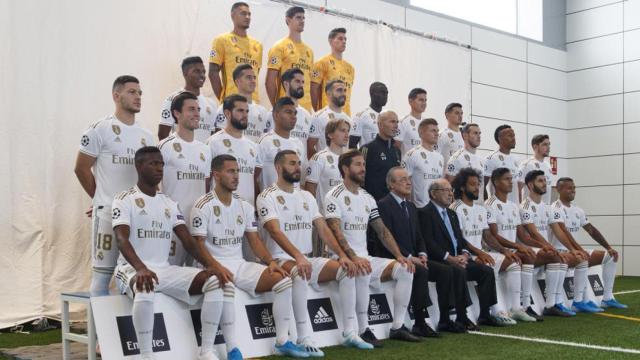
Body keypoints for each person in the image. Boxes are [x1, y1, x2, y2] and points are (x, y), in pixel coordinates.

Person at [111, 146, 229, 360]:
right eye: (153, 163)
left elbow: (189, 242)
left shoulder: (169, 203)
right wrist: (140, 268)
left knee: (213, 281)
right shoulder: (124, 199)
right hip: (130, 269)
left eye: (161, 164)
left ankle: (206, 351)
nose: (159, 168)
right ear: (139, 166)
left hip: (163, 270)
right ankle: (146, 356)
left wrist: (212, 264)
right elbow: (121, 239)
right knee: (144, 286)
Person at [190, 154, 293, 360]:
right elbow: (198, 246)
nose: (236, 176)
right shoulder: (202, 205)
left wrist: (271, 262)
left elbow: (254, 240)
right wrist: (215, 266)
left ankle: (282, 342)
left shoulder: (244, 205)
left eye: (237, 171)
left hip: (239, 264)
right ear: (216, 175)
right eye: (230, 171)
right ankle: (231, 349)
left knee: (283, 280)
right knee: (224, 283)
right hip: (212, 265)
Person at [257, 150, 359, 357]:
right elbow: (274, 231)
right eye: (292, 164)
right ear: (278, 168)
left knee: (346, 270)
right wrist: (298, 257)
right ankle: (303, 336)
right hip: (280, 258)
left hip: (306, 257)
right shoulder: (267, 196)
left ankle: (350, 332)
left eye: (299, 163)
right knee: (301, 271)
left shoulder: (306, 196)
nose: (298, 168)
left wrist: (342, 254)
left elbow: (323, 228)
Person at [325, 151, 420, 346]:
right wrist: (352, 257)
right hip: (340, 257)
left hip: (365, 256)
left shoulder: (367, 197)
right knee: (358, 268)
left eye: (364, 165)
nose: (363, 169)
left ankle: (397, 326)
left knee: (405, 268)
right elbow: (335, 231)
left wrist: (399, 255)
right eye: (358, 165)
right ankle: (361, 329)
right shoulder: (334, 195)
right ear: (345, 168)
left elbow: (382, 231)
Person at [75, 75, 155, 294]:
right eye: (132, 92)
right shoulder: (100, 129)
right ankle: (97, 330)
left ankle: (126, 326)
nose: (138, 97)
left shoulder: (146, 135)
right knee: (102, 277)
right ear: (116, 95)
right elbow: (81, 168)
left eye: (140, 93)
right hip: (109, 214)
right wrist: (99, 197)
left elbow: (151, 178)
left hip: (138, 215)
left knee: (134, 274)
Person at [378, 166, 456, 337]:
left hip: (415, 257)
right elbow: (388, 238)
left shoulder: (411, 206)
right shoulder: (383, 205)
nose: (408, 182)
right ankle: (419, 323)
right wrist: (410, 257)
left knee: (445, 270)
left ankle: (444, 319)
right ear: (391, 185)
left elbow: (419, 236)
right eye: (403, 179)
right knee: (419, 271)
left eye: (409, 179)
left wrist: (422, 254)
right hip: (394, 257)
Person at [450, 169, 535, 324]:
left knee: (514, 262)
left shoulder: (480, 209)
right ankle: (497, 311)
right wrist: (478, 253)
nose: (477, 188)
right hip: (466, 255)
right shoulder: (455, 208)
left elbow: (487, 236)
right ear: (462, 187)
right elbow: (459, 239)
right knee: (489, 264)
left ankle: (516, 308)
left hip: (480, 253)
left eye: (478, 184)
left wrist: (504, 250)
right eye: (473, 185)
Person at [418, 179, 499, 331]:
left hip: (458, 260)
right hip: (439, 261)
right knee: (457, 271)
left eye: (451, 190)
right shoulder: (424, 213)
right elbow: (428, 242)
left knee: (486, 271)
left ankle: (485, 314)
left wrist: (465, 255)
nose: (450, 194)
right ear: (433, 194)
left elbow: (460, 240)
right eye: (446, 190)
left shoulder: (452, 213)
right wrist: (449, 258)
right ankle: (459, 317)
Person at [486, 167, 560, 321]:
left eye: (511, 178)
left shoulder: (513, 206)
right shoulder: (489, 205)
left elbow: (523, 237)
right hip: (498, 251)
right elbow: (493, 236)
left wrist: (544, 246)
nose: (511, 182)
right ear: (495, 182)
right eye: (506, 179)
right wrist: (519, 247)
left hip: (513, 250)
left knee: (551, 255)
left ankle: (548, 304)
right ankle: (523, 306)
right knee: (527, 255)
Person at [553, 178, 627, 309]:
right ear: (559, 189)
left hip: (574, 250)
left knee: (611, 256)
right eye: (569, 188)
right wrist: (580, 249)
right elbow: (564, 232)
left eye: (574, 188)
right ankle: (578, 301)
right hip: (560, 250)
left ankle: (607, 298)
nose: (573, 190)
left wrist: (608, 247)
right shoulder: (555, 208)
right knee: (582, 258)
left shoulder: (577, 210)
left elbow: (591, 230)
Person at [158, 92, 212, 266]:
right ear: (177, 113)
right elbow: (151, 185)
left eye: (198, 109)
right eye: (191, 109)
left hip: (198, 226)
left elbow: (205, 186)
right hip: (173, 225)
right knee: (170, 273)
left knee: (198, 278)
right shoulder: (164, 146)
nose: (197, 113)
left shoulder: (205, 149)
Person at [519, 170, 575, 316]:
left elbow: (558, 231)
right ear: (530, 185)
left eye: (545, 181)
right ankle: (550, 305)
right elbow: (533, 233)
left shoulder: (546, 207)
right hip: (529, 252)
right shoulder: (524, 206)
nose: (545, 184)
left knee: (564, 257)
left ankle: (556, 302)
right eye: (540, 181)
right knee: (557, 256)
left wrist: (572, 249)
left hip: (543, 250)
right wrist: (549, 247)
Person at [208, 94, 261, 206]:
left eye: (247, 111)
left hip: (248, 211)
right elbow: (207, 179)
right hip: (221, 209)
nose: (245, 115)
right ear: (227, 113)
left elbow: (254, 180)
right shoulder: (213, 142)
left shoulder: (253, 146)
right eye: (240, 111)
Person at [209, 2, 262, 102]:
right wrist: (224, 99)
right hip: (232, 103)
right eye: (243, 13)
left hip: (254, 104)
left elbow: (255, 73)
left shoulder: (258, 45)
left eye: (249, 14)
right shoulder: (222, 40)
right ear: (232, 16)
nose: (247, 17)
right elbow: (212, 72)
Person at [266, 6, 314, 111]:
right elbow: (270, 81)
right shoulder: (279, 46)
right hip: (285, 108)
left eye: (303, 18)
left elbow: (308, 83)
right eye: (298, 17)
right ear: (288, 20)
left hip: (305, 111)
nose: (302, 21)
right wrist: (276, 107)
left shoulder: (309, 51)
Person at [159, 56, 217, 142]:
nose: (202, 75)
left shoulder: (211, 104)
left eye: (203, 72)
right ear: (185, 73)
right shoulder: (172, 100)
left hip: (204, 154)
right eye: (196, 71)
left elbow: (213, 135)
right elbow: (163, 134)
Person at [256, 98, 307, 193]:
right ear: (276, 115)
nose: (293, 116)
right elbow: (254, 177)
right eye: (288, 112)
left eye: (295, 113)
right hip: (271, 202)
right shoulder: (265, 141)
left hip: (294, 202)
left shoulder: (298, 143)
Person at [214, 65, 271, 143]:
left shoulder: (263, 111)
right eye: (248, 77)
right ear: (237, 81)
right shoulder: (224, 108)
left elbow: (264, 139)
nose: (253, 81)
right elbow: (218, 137)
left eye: (254, 77)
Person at [305, 118, 351, 210]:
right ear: (330, 134)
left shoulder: (350, 158)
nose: (347, 135)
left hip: (347, 214)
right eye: (342, 130)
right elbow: (310, 190)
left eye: (348, 131)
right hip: (326, 214)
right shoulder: (319, 158)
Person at [401, 118, 445, 208]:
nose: (437, 134)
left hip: (437, 208)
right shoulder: (412, 155)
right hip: (419, 208)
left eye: (437, 131)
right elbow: (404, 183)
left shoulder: (440, 157)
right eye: (433, 131)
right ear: (421, 133)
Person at [310, 28, 355, 115]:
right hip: (328, 115)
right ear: (331, 41)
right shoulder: (322, 63)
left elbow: (348, 94)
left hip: (346, 115)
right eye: (340, 38)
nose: (344, 41)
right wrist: (319, 114)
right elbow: (313, 90)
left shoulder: (350, 68)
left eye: (345, 39)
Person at [361, 111, 401, 201]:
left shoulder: (397, 151)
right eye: (392, 122)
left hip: (392, 204)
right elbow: (359, 180)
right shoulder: (367, 148)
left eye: (397, 122)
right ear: (380, 125)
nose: (396, 125)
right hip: (373, 203)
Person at [308, 79, 351, 158]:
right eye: (339, 90)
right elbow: (310, 146)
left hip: (343, 166)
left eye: (345, 90)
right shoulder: (318, 117)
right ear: (329, 94)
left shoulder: (348, 119)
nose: (343, 93)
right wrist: (322, 163)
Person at [445, 123, 486, 204]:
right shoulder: (456, 159)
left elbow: (483, 188)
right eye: (475, 133)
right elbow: (450, 188)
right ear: (465, 136)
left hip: (480, 209)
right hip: (463, 209)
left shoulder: (482, 160)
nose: (479, 136)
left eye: (479, 133)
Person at [484, 125, 520, 204]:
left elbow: (518, 187)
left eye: (514, 135)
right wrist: (486, 206)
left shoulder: (516, 159)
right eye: (510, 136)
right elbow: (482, 186)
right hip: (498, 209)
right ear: (500, 139)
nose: (513, 138)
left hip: (515, 210)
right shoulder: (491, 158)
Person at [349, 82, 388, 149]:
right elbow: (352, 144)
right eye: (382, 92)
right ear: (372, 93)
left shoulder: (388, 116)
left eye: (386, 93)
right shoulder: (362, 116)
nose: (385, 95)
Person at [518, 134, 553, 204]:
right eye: (545, 144)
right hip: (530, 210)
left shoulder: (548, 165)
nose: (548, 147)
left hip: (545, 210)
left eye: (549, 144)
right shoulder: (527, 164)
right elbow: (518, 189)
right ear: (535, 147)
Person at [279, 68, 312, 143]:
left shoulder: (307, 115)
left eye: (302, 82)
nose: (301, 85)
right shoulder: (275, 113)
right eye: (297, 81)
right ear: (286, 84)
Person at [396, 88, 427, 155]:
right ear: (410, 101)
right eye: (421, 100)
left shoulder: (427, 123)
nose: (424, 103)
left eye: (425, 100)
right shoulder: (402, 122)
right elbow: (396, 148)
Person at [436, 103, 464, 168]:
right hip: (446, 176)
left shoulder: (465, 135)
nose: (460, 116)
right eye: (457, 113)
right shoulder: (442, 135)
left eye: (461, 113)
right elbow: (434, 157)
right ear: (447, 115)